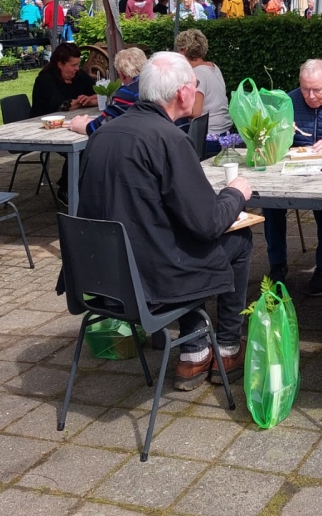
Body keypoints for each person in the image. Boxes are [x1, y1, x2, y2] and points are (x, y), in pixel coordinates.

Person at [79, 52, 255, 390]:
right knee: (238, 242)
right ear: (182, 93)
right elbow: (207, 223)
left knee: (178, 241)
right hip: (151, 281)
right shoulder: (170, 139)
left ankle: (195, 348)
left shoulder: (103, 134)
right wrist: (236, 192)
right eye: (194, 84)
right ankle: (224, 348)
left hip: (99, 277)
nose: (195, 90)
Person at [262, 60, 322, 293]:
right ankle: (277, 265)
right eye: (304, 88)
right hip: (290, 173)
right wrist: (278, 134)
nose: (310, 96)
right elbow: (264, 142)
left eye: (317, 90)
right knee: (269, 204)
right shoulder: (288, 102)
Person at [67, 47, 147, 135]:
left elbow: (101, 127)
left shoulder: (128, 92)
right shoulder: (156, 84)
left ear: (122, 75)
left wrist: (79, 125)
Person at [174, 29, 232, 140]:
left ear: (184, 51)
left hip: (210, 135)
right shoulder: (213, 67)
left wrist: (174, 107)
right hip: (226, 131)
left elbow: (196, 112)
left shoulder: (196, 74)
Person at [30, 41, 97, 117]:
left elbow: (100, 95)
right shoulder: (45, 80)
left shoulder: (80, 75)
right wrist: (86, 102)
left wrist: (89, 99)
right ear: (60, 64)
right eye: (73, 65)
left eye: (78, 64)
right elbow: (61, 105)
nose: (77, 68)